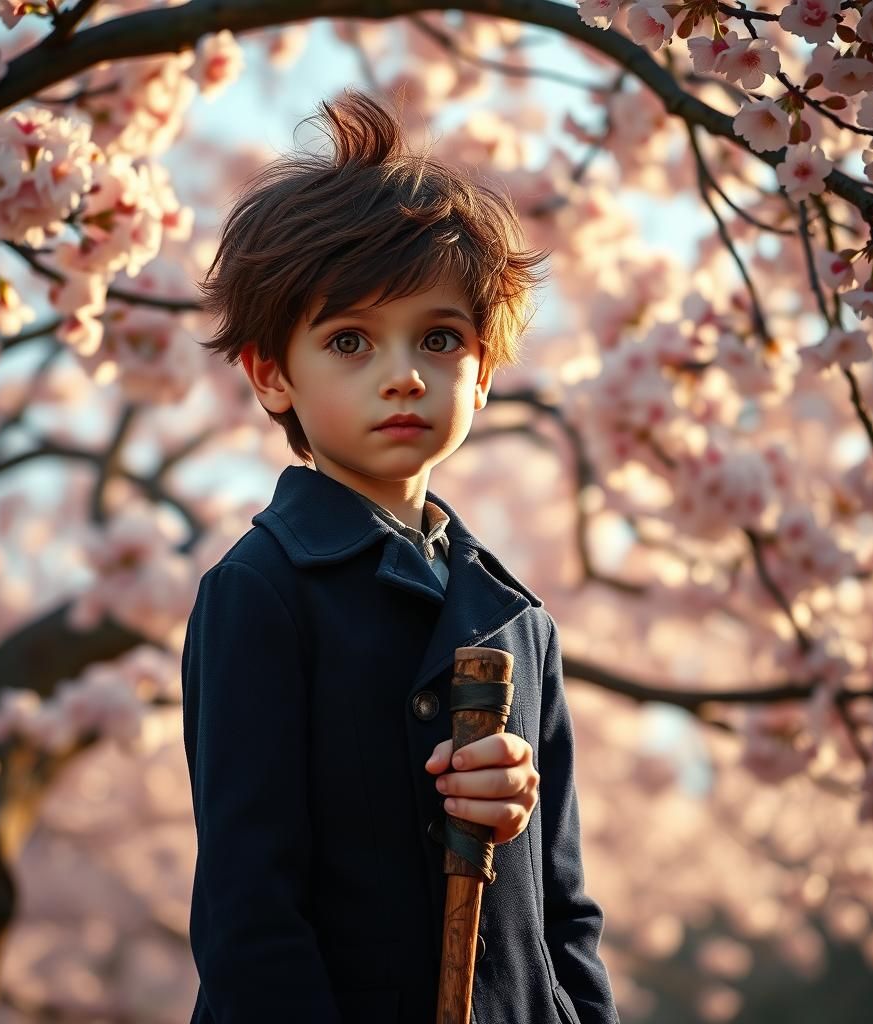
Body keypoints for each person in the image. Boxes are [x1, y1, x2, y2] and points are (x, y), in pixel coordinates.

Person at [181, 88, 619, 1024]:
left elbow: (567, 913)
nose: (403, 373)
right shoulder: (260, 591)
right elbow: (249, 909)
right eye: (349, 340)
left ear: (486, 370)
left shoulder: (518, 617)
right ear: (271, 374)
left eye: (440, 338)